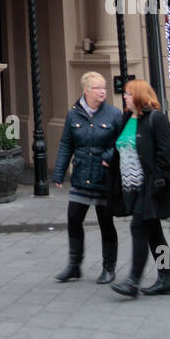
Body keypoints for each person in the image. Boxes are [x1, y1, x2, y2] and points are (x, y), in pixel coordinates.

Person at [104, 79, 170, 298]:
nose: (124, 96)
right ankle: (166, 278)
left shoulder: (156, 119)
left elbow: (165, 153)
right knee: (155, 233)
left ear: (138, 95)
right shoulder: (127, 118)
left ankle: (133, 281)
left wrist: (156, 181)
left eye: (127, 93)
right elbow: (121, 147)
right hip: (131, 186)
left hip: (151, 187)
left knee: (139, 228)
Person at [52, 71, 119, 284]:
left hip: (103, 176)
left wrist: (108, 156)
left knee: (105, 222)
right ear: (86, 91)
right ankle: (74, 266)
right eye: (98, 88)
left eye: (104, 88)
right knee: (73, 218)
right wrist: (59, 171)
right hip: (81, 174)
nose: (103, 92)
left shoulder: (114, 114)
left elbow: (121, 142)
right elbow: (66, 144)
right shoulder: (74, 114)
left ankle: (108, 267)